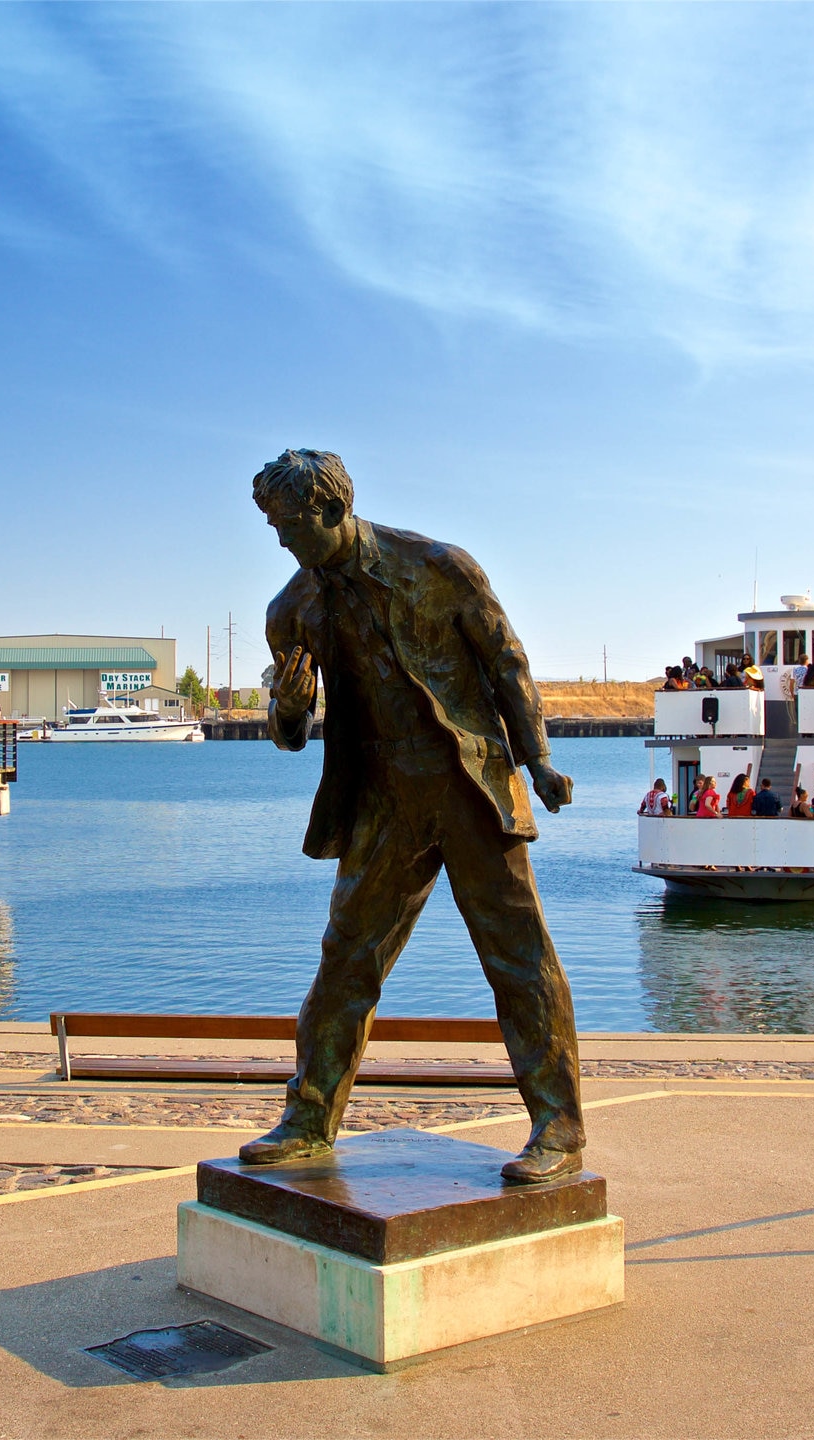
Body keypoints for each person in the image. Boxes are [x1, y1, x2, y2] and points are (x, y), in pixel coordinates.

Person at [242, 448, 584, 1184]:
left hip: (470, 785)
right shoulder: (291, 610)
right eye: (272, 527)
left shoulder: (439, 566)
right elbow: (290, 731)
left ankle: (558, 1127)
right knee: (345, 962)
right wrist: (292, 710)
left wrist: (539, 759)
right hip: (383, 801)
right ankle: (309, 1118)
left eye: (290, 524)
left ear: (332, 510)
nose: (281, 541)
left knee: (518, 958)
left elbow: (505, 662)